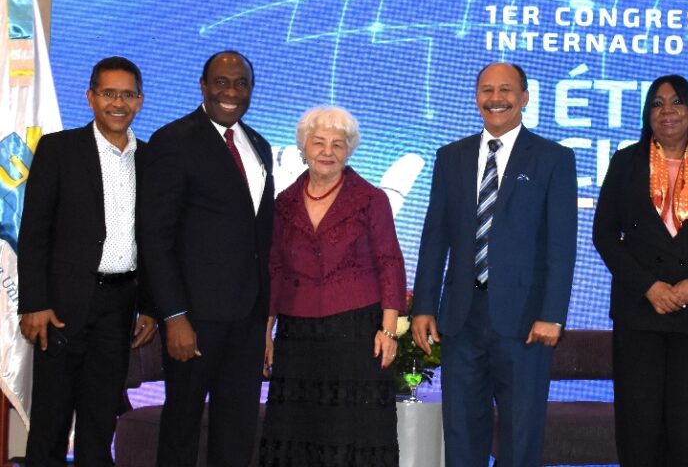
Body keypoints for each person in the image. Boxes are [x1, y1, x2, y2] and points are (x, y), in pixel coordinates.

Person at [411, 62, 577, 466]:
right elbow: (435, 239)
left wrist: (552, 315)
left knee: (521, 436)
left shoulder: (553, 158)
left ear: (524, 97)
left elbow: (561, 245)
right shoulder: (450, 157)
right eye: (486, 90)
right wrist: (424, 306)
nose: (495, 99)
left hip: (525, 322)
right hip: (461, 318)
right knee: (462, 431)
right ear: (475, 98)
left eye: (506, 90)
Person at [592, 74, 688, 466]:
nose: (667, 111)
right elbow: (605, 235)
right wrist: (649, 286)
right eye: (657, 104)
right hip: (640, 311)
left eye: (676, 102)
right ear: (647, 114)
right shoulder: (626, 161)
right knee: (638, 425)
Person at [18, 56, 156, 467]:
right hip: (60, 309)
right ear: (91, 97)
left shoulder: (151, 159)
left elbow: (154, 240)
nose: (118, 103)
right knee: (50, 425)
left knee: (100, 425)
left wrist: (149, 305)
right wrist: (34, 303)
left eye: (127, 94)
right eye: (108, 93)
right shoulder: (59, 150)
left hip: (120, 308)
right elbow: (35, 232)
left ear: (140, 101)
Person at [139, 50, 274, 467]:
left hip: (247, 318)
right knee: (182, 428)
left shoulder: (259, 146)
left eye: (241, 84)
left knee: (236, 431)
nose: (231, 92)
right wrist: (174, 316)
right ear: (203, 86)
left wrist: (266, 319)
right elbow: (154, 236)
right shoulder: (173, 140)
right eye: (221, 82)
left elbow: (258, 237)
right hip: (193, 320)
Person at [258, 105, 406, 466]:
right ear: (303, 147)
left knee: (352, 431)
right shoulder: (282, 204)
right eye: (319, 142)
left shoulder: (372, 199)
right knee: (297, 430)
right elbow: (273, 268)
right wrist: (266, 331)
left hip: (355, 333)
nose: (328, 151)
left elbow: (390, 262)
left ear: (350, 150)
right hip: (296, 336)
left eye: (338, 144)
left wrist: (388, 332)